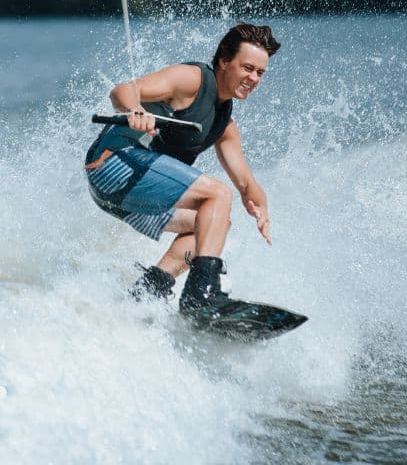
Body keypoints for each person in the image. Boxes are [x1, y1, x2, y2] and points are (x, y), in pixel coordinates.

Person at [84, 23, 280, 321]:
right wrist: (135, 109)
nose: (253, 79)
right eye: (248, 68)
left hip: (123, 197)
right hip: (112, 166)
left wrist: (260, 205)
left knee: (214, 223)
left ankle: (150, 290)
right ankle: (201, 295)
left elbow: (245, 182)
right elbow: (123, 90)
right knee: (216, 194)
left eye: (260, 73)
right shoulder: (192, 80)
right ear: (225, 61)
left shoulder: (224, 126)